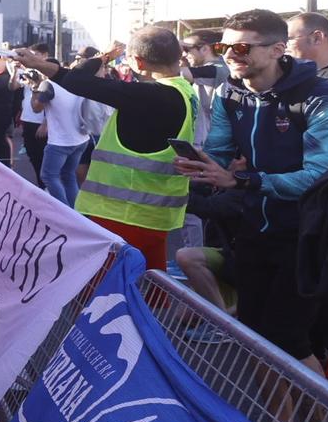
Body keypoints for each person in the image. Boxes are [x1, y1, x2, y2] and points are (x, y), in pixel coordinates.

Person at [177, 9, 328, 373]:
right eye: (224, 46)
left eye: (242, 48)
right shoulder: (230, 93)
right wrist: (200, 168)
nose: (230, 55)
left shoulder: (320, 97)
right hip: (255, 228)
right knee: (253, 336)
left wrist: (244, 181)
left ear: (277, 50)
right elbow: (221, 152)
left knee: (288, 341)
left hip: (310, 235)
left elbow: (319, 177)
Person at [12, 27, 196, 270]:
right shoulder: (183, 90)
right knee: (148, 292)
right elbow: (74, 78)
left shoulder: (151, 95)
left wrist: (104, 56)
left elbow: (77, 79)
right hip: (153, 218)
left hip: (122, 217)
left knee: (104, 296)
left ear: (138, 62)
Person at [35, 64, 92, 207]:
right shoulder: (77, 83)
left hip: (60, 142)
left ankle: (63, 211)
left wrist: (35, 87)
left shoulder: (49, 85)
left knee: (48, 176)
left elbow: (36, 108)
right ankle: (75, 211)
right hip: (81, 138)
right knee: (68, 175)